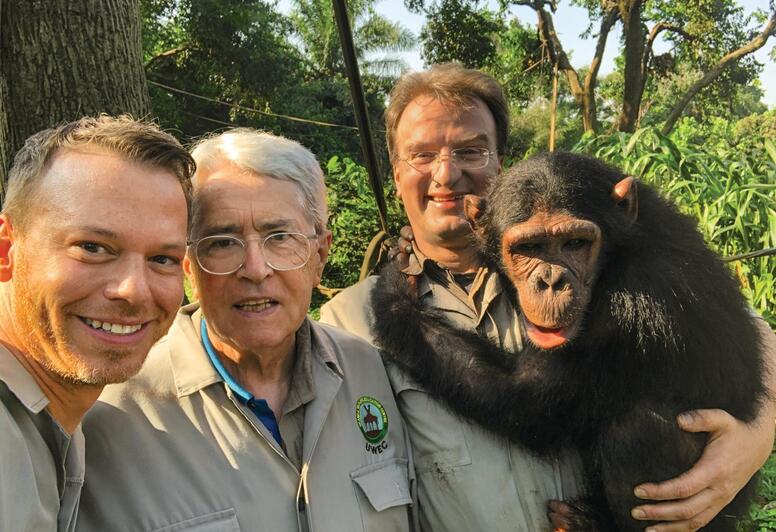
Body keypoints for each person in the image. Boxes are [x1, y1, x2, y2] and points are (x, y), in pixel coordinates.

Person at [319, 63, 776, 531]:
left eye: (471, 150)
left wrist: (759, 430)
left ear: (501, 166)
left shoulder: (622, 273)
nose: (446, 173)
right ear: (396, 175)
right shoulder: (344, 320)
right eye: (421, 155)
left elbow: (529, 407)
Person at [79, 128, 416, 532]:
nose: (255, 269)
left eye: (279, 238)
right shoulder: (114, 412)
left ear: (320, 255)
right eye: (223, 242)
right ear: (189, 263)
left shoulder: (369, 371)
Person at [0, 115, 193, 532]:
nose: (134, 290)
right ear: (6, 250)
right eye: (92, 247)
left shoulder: (58, 422)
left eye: (162, 259)